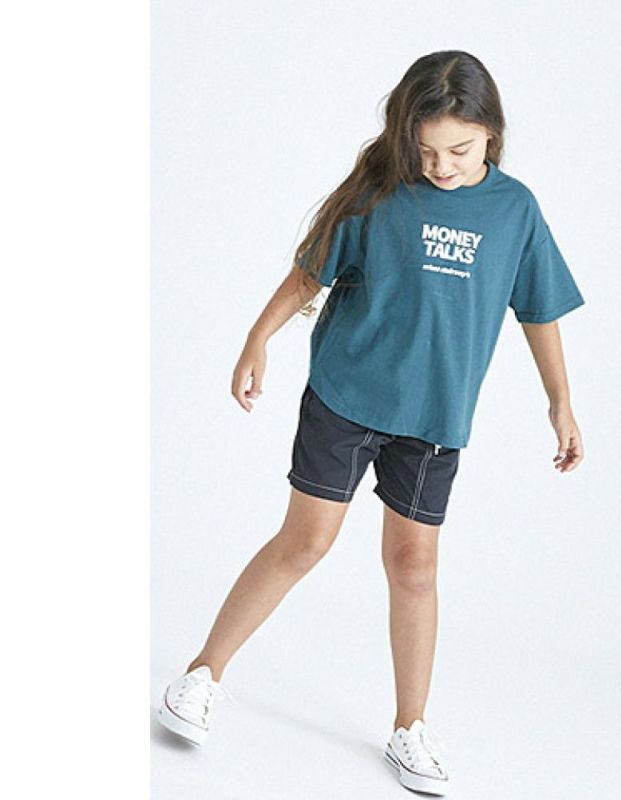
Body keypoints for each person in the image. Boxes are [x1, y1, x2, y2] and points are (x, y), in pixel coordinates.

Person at [156, 49, 586, 796]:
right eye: (426, 150)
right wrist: (258, 337)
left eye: (459, 150)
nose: (441, 166)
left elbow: (539, 309)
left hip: (436, 418)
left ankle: (409, 727)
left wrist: (561, 401)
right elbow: (310, 273)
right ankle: (201, 674)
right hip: (347, 397)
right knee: (305, 543)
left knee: (414, 567)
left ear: (491, 133)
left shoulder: (515, 210)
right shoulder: (380, 191)